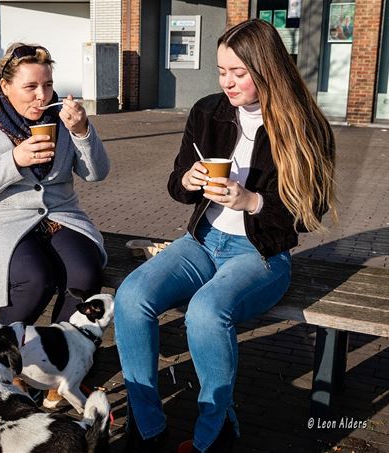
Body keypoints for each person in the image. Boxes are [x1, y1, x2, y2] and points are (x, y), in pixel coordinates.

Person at [114, 19, 336, 453]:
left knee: (205, 312)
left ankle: (214, 434)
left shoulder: (304, 125)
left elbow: (310, 214)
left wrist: (252, 202)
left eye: (239, 72)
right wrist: (190, 178)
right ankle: (146, 427)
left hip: (260, 254)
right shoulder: (207, 111)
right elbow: (176, 187)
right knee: (131, 297)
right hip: (201, 241)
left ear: (267, 69)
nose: (228, 82)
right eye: (221, 71)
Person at [0, 43, 109, 405]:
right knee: (35, 279)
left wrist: (83, 131)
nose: (42, 96)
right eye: (31, 87)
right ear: (5, 86)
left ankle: (61, 371)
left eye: (48, 85)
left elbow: (97, 174)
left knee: (84, 274)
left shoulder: (64, 120)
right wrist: (14, 160)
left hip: (59, 215)